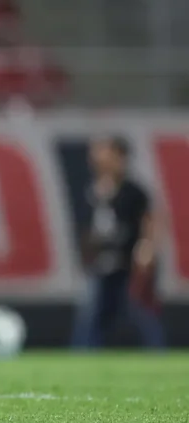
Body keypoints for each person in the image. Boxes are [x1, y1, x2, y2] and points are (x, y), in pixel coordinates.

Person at [71, 136, 165, 349]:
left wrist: (146, 248)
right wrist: (85, 256)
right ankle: (82, 356)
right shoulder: (91, 191)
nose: (97, 158)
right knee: (91, 315)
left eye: (105, 153)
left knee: (140, 312)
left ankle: (158, 352)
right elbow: (87, 229)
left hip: (127, 264)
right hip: (101, 265)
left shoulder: (133, 191)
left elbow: (149, 222)